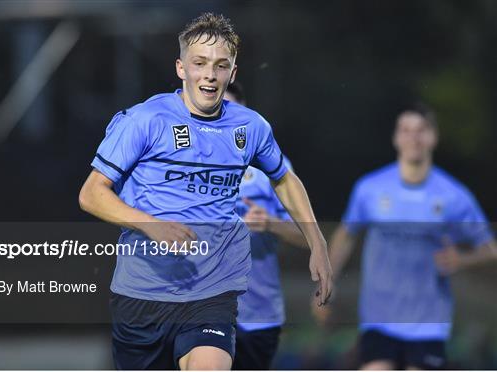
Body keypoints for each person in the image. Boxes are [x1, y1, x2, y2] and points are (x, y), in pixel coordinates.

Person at [79, 13, 332, 370]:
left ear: (233, 72)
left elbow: (285, 179)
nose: (210, 75)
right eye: (200, 64)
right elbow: (92, 194)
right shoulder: (145, 120)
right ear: (181, 68)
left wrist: (317, 243)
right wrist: (151, 225)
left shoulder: (250, 127)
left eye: (220, 65)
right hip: (142, 294)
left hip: (212, 291)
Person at [314, 105, 497, 370]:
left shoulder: (453, 196)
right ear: (396, 138)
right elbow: (346, 235)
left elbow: (490, 248)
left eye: (421, 131)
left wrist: (463, 259)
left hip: (428, 324)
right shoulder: (370, 188)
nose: (413, 138)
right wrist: (325, 282)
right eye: (406, 130)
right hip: (378, 319)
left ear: (433, 137)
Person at [224, 82, 308, 370]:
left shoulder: (272, 167)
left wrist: (270, 223)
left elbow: (307, 236)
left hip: (258, 313)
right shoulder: (186, 166)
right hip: (203, 309)